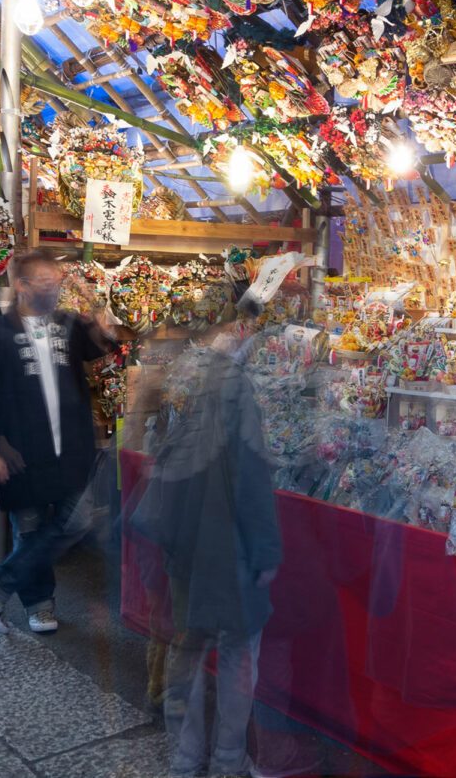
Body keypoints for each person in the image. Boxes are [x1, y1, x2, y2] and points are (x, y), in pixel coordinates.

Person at [132, 319, 282, 777]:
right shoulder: (236, 388)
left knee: (188, 646)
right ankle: (227, 758)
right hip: (228, 543)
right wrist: (266, 551)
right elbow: (253, 476)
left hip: (184, 540)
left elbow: (158, 452)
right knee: (239, 650)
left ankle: (185, 756)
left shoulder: (178, 379)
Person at [0, 248, 126, 634]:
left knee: (79, 519)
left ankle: (0, 580)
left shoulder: (68, 324)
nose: (53, 289)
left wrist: (95, 308)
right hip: (21, 449)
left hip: (70, 446)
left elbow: (103, 347)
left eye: (56, 282)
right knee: (31, 529)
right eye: (44, 282)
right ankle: (40, 605)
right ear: (21, 286)